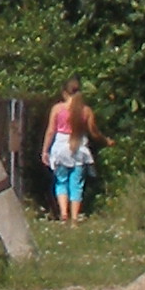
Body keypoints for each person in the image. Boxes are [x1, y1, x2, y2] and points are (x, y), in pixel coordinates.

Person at [44, 80, 107, 224]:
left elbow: (51, 131)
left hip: (60, 149)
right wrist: (105, 140)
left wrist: (45, 151)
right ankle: (74, 218)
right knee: (76, 184)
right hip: (79, 149)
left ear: (64, 93)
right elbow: (94, 132)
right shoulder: (86, 111)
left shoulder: (58, 109)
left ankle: (63, 214)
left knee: (61, 182)